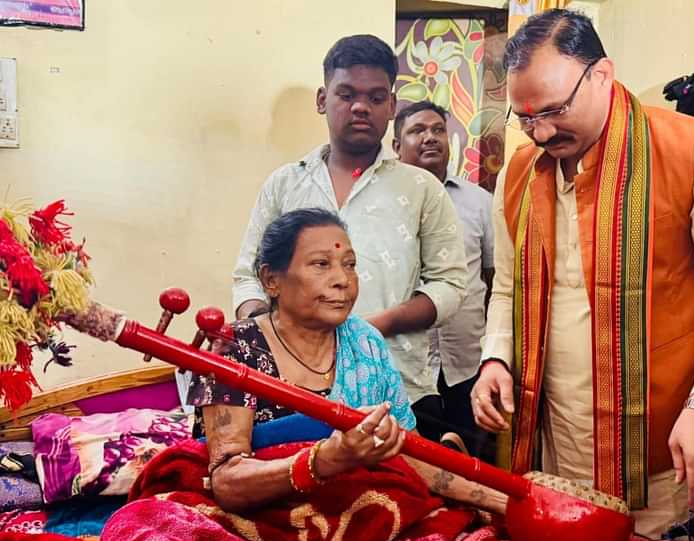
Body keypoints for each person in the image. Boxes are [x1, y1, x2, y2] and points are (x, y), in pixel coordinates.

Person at [471, 8, 694, 540]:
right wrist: (496, 356)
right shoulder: (521, 170)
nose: (540, 132)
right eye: (525, 119)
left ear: (602, 75)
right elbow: (509, 286)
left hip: (664, 452)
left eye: (554, 110)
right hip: (552, 446)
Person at [197, 208, 505, 515]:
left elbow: (409, 452)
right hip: (267, 518)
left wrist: (505, 501)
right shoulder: (236, 348)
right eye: (321, 264)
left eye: (350, 265)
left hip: (361, 509)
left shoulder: (364, 341)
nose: (343, 280)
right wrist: (324, 460)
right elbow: (226, 481)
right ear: (270, 279)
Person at [231, 35, 467, 412]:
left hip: (401, 390)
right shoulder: (286, 184)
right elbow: (248, 277)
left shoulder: (422, 188)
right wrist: (264, 333)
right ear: (323, 99)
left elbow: (451, 285)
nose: (361, 107)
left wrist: (372, 328)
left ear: (391, 105)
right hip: (292, 389)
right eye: (346, 94)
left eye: (376, 98)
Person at [392, 101, 495, 457]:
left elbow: (493, 279)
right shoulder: (382, 203)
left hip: (467, 362)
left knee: (477, 468)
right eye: (417, 130)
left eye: (438, 130)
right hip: (407, 367)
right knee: (418, 468)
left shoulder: (480, 203)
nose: (430, 138)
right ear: (395, 146)